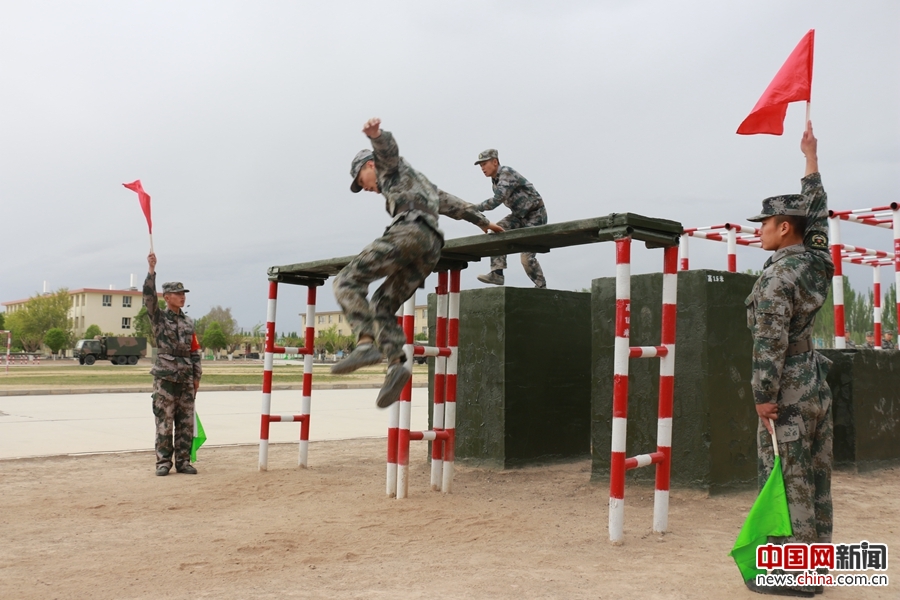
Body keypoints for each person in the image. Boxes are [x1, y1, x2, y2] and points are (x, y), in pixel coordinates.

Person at [743, 122, 833, 598]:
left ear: (783, 228)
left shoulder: (779, 279)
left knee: (789, 476)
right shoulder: (816, 262)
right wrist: (810, 161)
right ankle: (817, 569)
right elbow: (818, 220)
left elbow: (769, 342)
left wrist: (762, 397)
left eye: (763, 223)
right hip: (814, 380)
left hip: (788, 389)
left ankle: (794, 577)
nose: (758, 231)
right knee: (815, 476)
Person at [331, 118, 449, 408]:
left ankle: (364, 345)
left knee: (346, 281)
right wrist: (482, 219)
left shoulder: (387, 167)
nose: (367, 188)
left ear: (369, 166)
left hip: (410, 233)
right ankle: (397, 364)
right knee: (382, 304)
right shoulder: (418, 182)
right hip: (432, 246)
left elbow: (387, 152)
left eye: (362, 181)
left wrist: (377, 136)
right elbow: (448, 202)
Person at [145, 252, 202, 476]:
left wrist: (197, 377)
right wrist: (151, 272)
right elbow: (149, 298)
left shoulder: (189, 322)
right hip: (166, 378)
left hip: (186, 378)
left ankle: (184, 461)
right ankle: (163, 462)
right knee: (164, 421)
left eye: (183, 293)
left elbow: (195, 351)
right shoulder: (159, 318)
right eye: (178, 294)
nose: (182, 297)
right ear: (167, 297)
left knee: (185, 422)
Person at [473, 149, 548, 288]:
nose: (482, 168)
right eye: (480, 165)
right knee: (497, 231)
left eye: (484, 164)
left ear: (495, 162)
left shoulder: (506, 173)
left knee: (526, 257)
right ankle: (497, 274)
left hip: (535, 215)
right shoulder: (495, 181)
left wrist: (474, 208)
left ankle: (541, 287)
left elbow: (497, 200)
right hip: (519, 216)